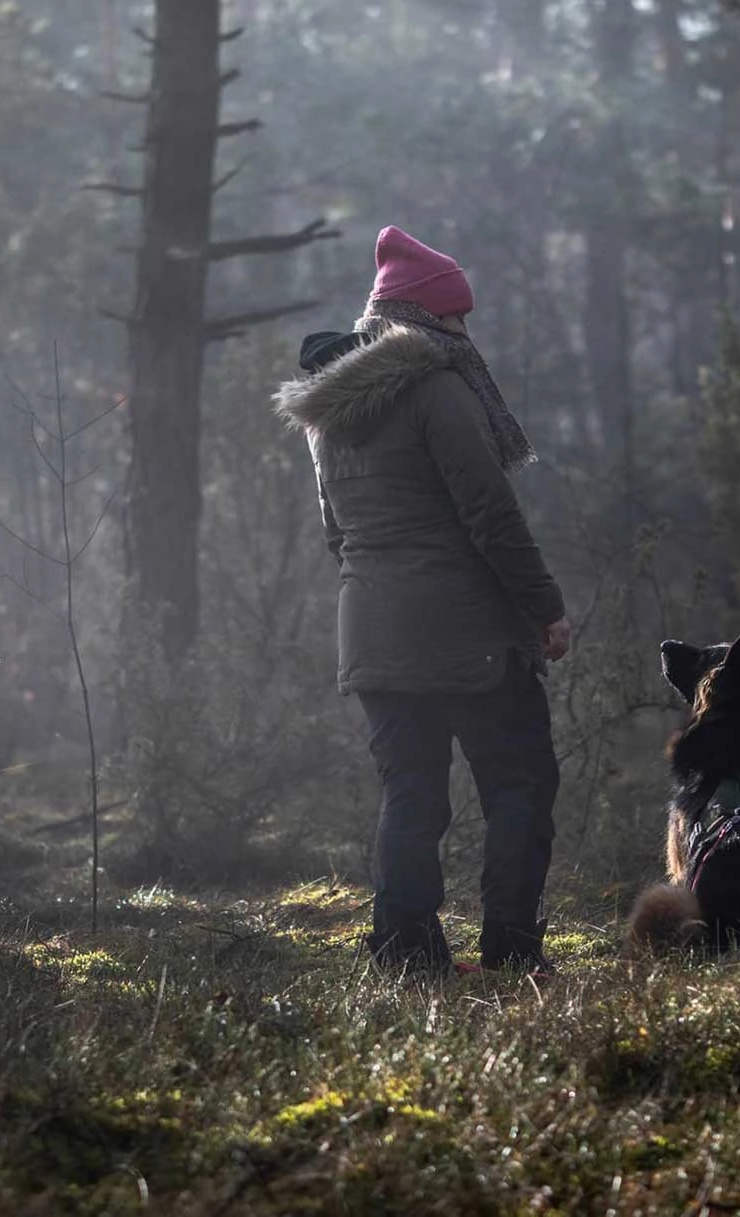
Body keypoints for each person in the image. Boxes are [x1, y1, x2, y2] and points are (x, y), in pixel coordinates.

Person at [274, 225, 572, 976]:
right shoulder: (438, 391)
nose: (466, 333)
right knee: (519, 784)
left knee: (411, 795)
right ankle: (510, 950)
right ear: (431, 322)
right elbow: (491, 516)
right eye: (458, 319)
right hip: (466, 633)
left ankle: (406, 950)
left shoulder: (328, 411)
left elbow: (335, 533)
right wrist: (544, 606)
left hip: (371, 631)